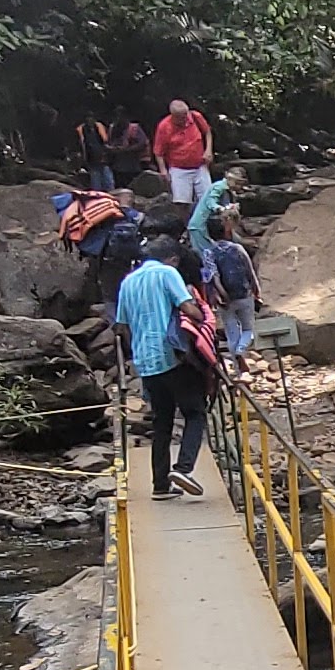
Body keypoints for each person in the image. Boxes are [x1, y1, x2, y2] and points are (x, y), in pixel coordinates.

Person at [117, 234, 212, 498]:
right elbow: (188, 308)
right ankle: (183, 468)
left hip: (145, 362)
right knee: (195, 413)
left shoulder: (127, 282)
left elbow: (122, 326)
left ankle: (160, 485)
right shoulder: (167, 273)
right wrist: (204, 318)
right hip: (173, 356)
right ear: (172, 259)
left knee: (162, 422)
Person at [201, 211, 261, 360]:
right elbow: (250, 270)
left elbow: (212, 277)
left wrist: (219, 294)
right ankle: (241, 350)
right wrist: (256, 290)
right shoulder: (237, 248)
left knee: (231, 333)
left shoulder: (208, 253)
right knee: (248, 329)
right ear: (227, 231)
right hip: (244, 294)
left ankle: (238, 368)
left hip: (224, 300)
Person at [152, 99, 213, 207]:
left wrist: (208, 150)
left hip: (200, 165)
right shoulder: (164, 126)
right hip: (178, 167)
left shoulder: (195, 117)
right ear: (173, 116)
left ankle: (203, 221)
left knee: (207, 198)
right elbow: (158, 151)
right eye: (181, 117)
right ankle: (187, 223)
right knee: (182, 202)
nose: (185, 118)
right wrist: (163, 170)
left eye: (186, 114)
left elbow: (207, 132)